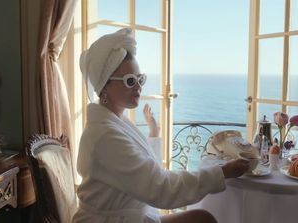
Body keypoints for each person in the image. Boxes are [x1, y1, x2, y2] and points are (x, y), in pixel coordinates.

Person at [72, 28, 250, 223]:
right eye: (130, 80)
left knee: (202, 218)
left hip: (129, 216)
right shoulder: (105, 136)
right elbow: (160, 189)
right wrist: (222, 173)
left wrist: (154, 133)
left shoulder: (116, 121)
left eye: (140, 79)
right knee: (203, 219)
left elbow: (142, 171)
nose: (139, 86)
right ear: (104, 86)